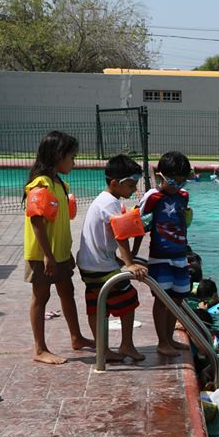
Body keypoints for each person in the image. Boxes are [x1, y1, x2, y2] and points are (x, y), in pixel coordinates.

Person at [23, 130, 94, 364]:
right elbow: (37, 223)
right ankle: (39, 349)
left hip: (59, 253)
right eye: (71, 157)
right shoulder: (40, 185)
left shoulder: (60, 184)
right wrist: (47, 256)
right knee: (41, 297)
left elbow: (61, 223)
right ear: (56, 156)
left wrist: (65, 253)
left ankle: (77, 337)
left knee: (67, 292)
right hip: (42, 255)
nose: (74, 162)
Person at [76, 154, 148, 363]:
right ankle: (126, 345)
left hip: (89, 265)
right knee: (129, 299)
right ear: (115, 183)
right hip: (100, 267)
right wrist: (129, 263)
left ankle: (103, 348)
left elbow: (102, 238)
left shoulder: (102, 200)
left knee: (98, 305)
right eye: (131, 185)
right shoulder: (111, 204)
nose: (135, 190)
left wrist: (117, 260)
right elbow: (121, 236)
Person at [142, 151, 193, 357]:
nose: (177, 186)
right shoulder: (153, 197)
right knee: (162, 300)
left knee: (178, 297)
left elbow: (183, 222)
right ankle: (162, 341)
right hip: (160, 256)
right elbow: (137, 224)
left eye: (182, 182)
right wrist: (132, 257)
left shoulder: (183, 196)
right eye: (172, 181)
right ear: (160, 175)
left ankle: (170, 337)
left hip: (180, 254)